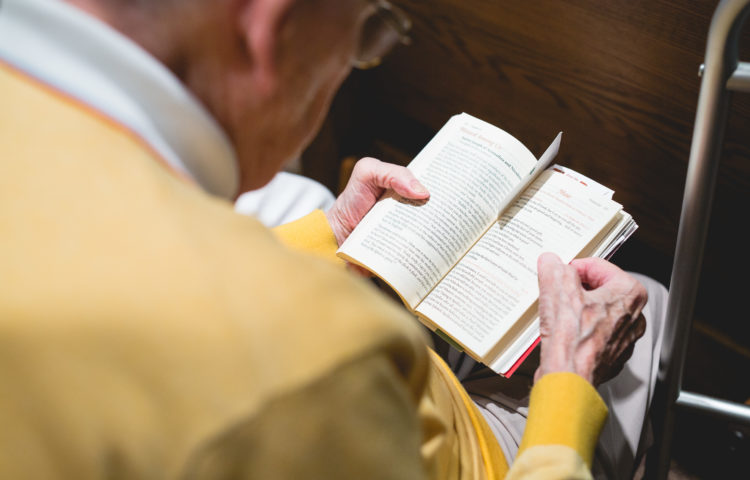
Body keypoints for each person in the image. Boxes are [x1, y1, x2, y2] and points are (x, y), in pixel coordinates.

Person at [0, 0, 666, 479]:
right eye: (365, 35)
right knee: (649, 306)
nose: (352, 64)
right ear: (271, 24)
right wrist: (568, 386)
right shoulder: (315, 362)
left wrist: (330, 238)